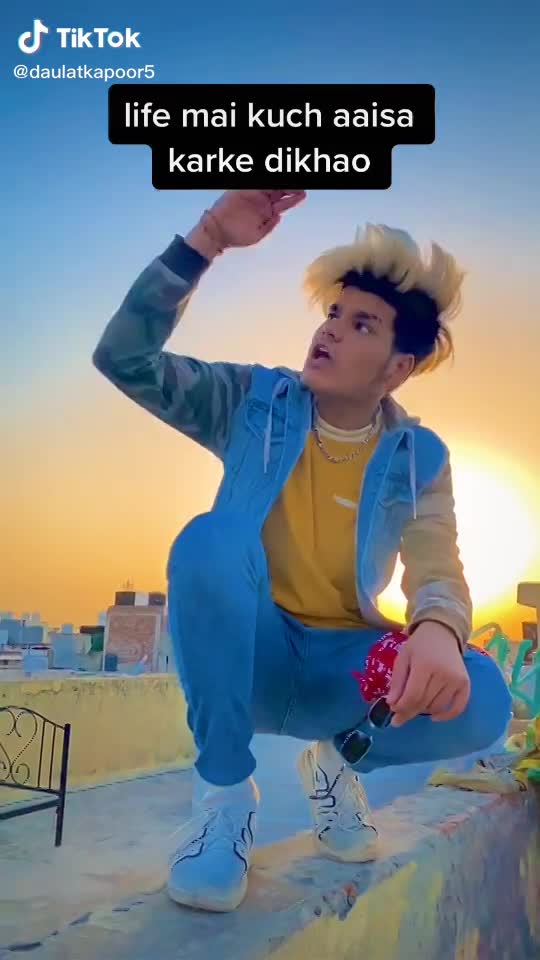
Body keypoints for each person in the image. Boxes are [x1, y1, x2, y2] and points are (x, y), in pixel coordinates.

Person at [93, 190, 511, 913]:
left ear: (397, 366)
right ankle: (224, 803)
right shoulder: (253, 402)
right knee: (212, 538)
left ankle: (338, 763)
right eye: (332, 314)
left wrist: (440, 629)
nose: (330, 331)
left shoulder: (419, 456)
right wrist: (206, 239)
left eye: (361, 324)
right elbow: (124, 357)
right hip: (253, 656)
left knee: (484, 700)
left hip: (342, 673)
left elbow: (437, 563)